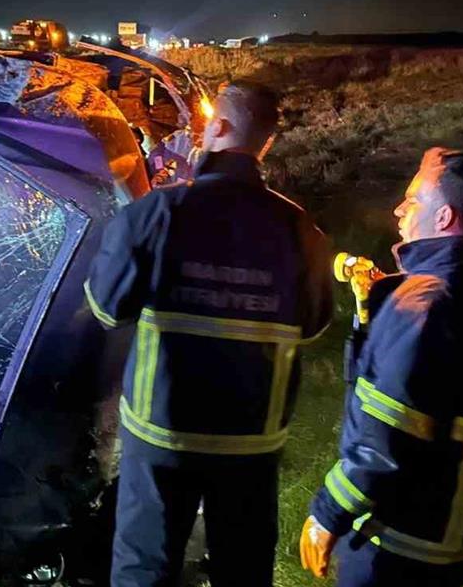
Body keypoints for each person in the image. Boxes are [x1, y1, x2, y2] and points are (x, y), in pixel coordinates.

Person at [85, 80, 334, 587]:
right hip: (250, 441)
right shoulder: (299, 228)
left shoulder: (158, 214)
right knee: (242, 570)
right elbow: (312, 325)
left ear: (218, 127)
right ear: (264, 144)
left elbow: (106, 307)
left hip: (162, 435)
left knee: (144, 569)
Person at [300, 147, 463, 586]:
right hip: (448, 535)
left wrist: (327, 513)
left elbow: (384, 440)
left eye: (413, 200)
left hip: (401, 543)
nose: (399, 209)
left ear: (444, 218)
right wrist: (375, 312)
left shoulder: (423, 303)